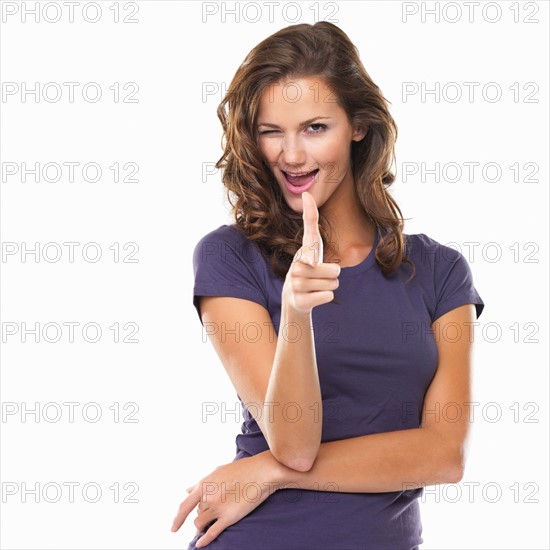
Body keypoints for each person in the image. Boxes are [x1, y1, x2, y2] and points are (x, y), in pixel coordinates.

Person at [171, 21, 485, 550]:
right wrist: (295, 313)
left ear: (358, 126)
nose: (291, 156)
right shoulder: (230, 257)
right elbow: (293, 443)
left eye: (315, 127)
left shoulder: (439, 271)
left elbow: (444, 456)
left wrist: (267, 474)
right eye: (272, 131)